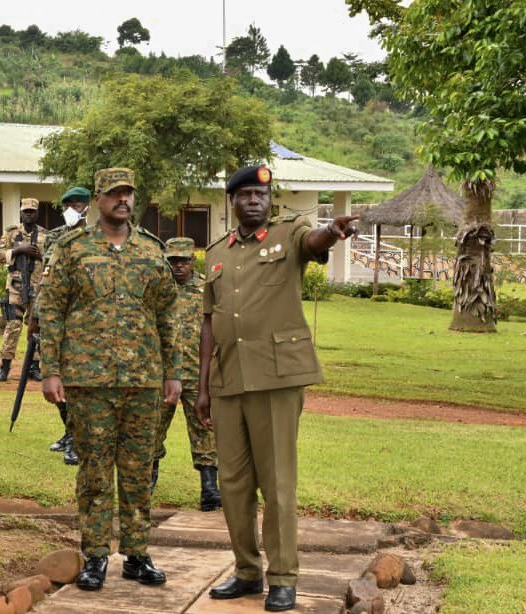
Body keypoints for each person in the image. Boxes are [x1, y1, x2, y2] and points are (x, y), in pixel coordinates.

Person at [194, 165, 358, 612]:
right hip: (227, 380)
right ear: (232, 201)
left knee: (278, 482)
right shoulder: (216, 253)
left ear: (270, 201)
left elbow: (315, 242)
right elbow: (208, 322)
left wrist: (332, 230)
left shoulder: (290, 234)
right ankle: (246, 571)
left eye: (260, 195)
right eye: (245, 194)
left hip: (275, 377)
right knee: (233, 484)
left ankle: (283, 577)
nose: (253, 201)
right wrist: (203, 386)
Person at [39, 168, 182, 592]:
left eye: (129, 194)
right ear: (98, 199)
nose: (123, 200)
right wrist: (50, 370)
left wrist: (173, 372)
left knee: (140, 471)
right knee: (95, 472)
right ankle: (96, 556)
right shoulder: (71, 249)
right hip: (89, 381)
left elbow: (167, 316)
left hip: (143, 380)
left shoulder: (151, 251)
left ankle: (137, 554)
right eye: (115, 194)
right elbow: (51, 312)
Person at [152, 237, 220, 512]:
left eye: (184, 260)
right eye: (173, 261)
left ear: (193, 260)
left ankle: (209, 489)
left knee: (205, 429)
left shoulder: (206, 288)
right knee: (152, 429)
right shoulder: (157, 288)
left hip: (196, 373)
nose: (179, 266)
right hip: (161, 374)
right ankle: (146, 485)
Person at [36, 186, 91, 466]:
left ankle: (75, 437)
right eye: (68, 205)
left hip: (84, 323)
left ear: (88, 207)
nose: (72, 209)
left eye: (78, 204)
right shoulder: (55, 237)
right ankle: (69, 429)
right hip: (57, 317)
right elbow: (46, 277)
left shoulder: (97, 237)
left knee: (78, 382)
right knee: (54, 377)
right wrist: (37, 313)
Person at [0, 198, 46, 382]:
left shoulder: (45, 235)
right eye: (26, 211)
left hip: (38, 289)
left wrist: (39, 255)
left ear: (37, 213)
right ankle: (5, 366)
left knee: (36, 328)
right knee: (12, 326)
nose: (29, 214)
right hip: (15, 287)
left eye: (32, 211)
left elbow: (52, 260)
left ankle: (34, 367)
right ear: (21, 213)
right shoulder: (10, 233)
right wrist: (19, 250)